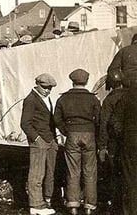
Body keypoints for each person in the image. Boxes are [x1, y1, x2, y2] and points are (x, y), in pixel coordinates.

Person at [54, 69, 100, 215]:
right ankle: (89, 207)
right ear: (86, 81)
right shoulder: (93, 99)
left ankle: (73, 206)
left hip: (72, 135)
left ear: (72, 81)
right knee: (90, 171)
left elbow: (57, 119)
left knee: (72, 171)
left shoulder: (63, 99)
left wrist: (66, 131)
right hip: (89, 134)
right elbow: (99, 119)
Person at [20, 73, 58, 215]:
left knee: (49, 172)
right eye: (45, 87)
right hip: (40, 141)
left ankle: (46, 201)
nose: (48, 90)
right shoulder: (30, 100)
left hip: (49, 140)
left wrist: (53, 140)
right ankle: (36, 205)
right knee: (37, 174)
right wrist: (37, 139)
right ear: (37, 84)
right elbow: (25, 123)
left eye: (50, 88)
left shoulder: (46, 98)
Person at [98, 69, 127, 212]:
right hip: (129, 141)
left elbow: (103, 123)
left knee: (114, 173)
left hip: (114, 143)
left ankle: (115, 203)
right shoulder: (130, 96)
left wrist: (102, 145)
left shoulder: (109, 100)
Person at [110, 83, 137, 214]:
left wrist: (123, 134)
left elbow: (115, 121)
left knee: (130, 179)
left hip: (130, 142)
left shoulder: (127, 96)